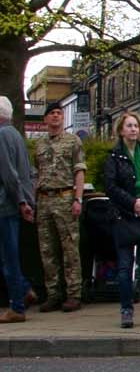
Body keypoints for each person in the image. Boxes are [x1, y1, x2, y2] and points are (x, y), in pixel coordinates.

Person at [99, 111, 140, 328]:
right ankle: (126, 310)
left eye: (136, 126)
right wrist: (132, 203)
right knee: (125, 267)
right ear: (121, 130)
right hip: (123, 217)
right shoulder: (113, 157)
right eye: (129, 126)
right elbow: (110, 187)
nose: (133, 129)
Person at [30, 103, 86, 311]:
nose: (55, 116)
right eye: (51, 114)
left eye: (59, 113)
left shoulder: (73, 141)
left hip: (64, 196)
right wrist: (33, 201)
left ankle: (74, 293)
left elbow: (79, 170)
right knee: (47, 250)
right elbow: (37, 173)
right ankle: (53, 293)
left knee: (70, 248)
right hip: (44, 199)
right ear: (45, 119)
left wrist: (77, 199)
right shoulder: (40, 144)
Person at [0, 96, 32, 322]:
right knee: (9, 254)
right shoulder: (16, 135)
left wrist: (20, 201)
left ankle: (17, 306)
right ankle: (24, 289)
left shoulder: (1, 135)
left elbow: (9, 175)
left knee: (7, 257)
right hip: (14, 203)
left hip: (5, 204)